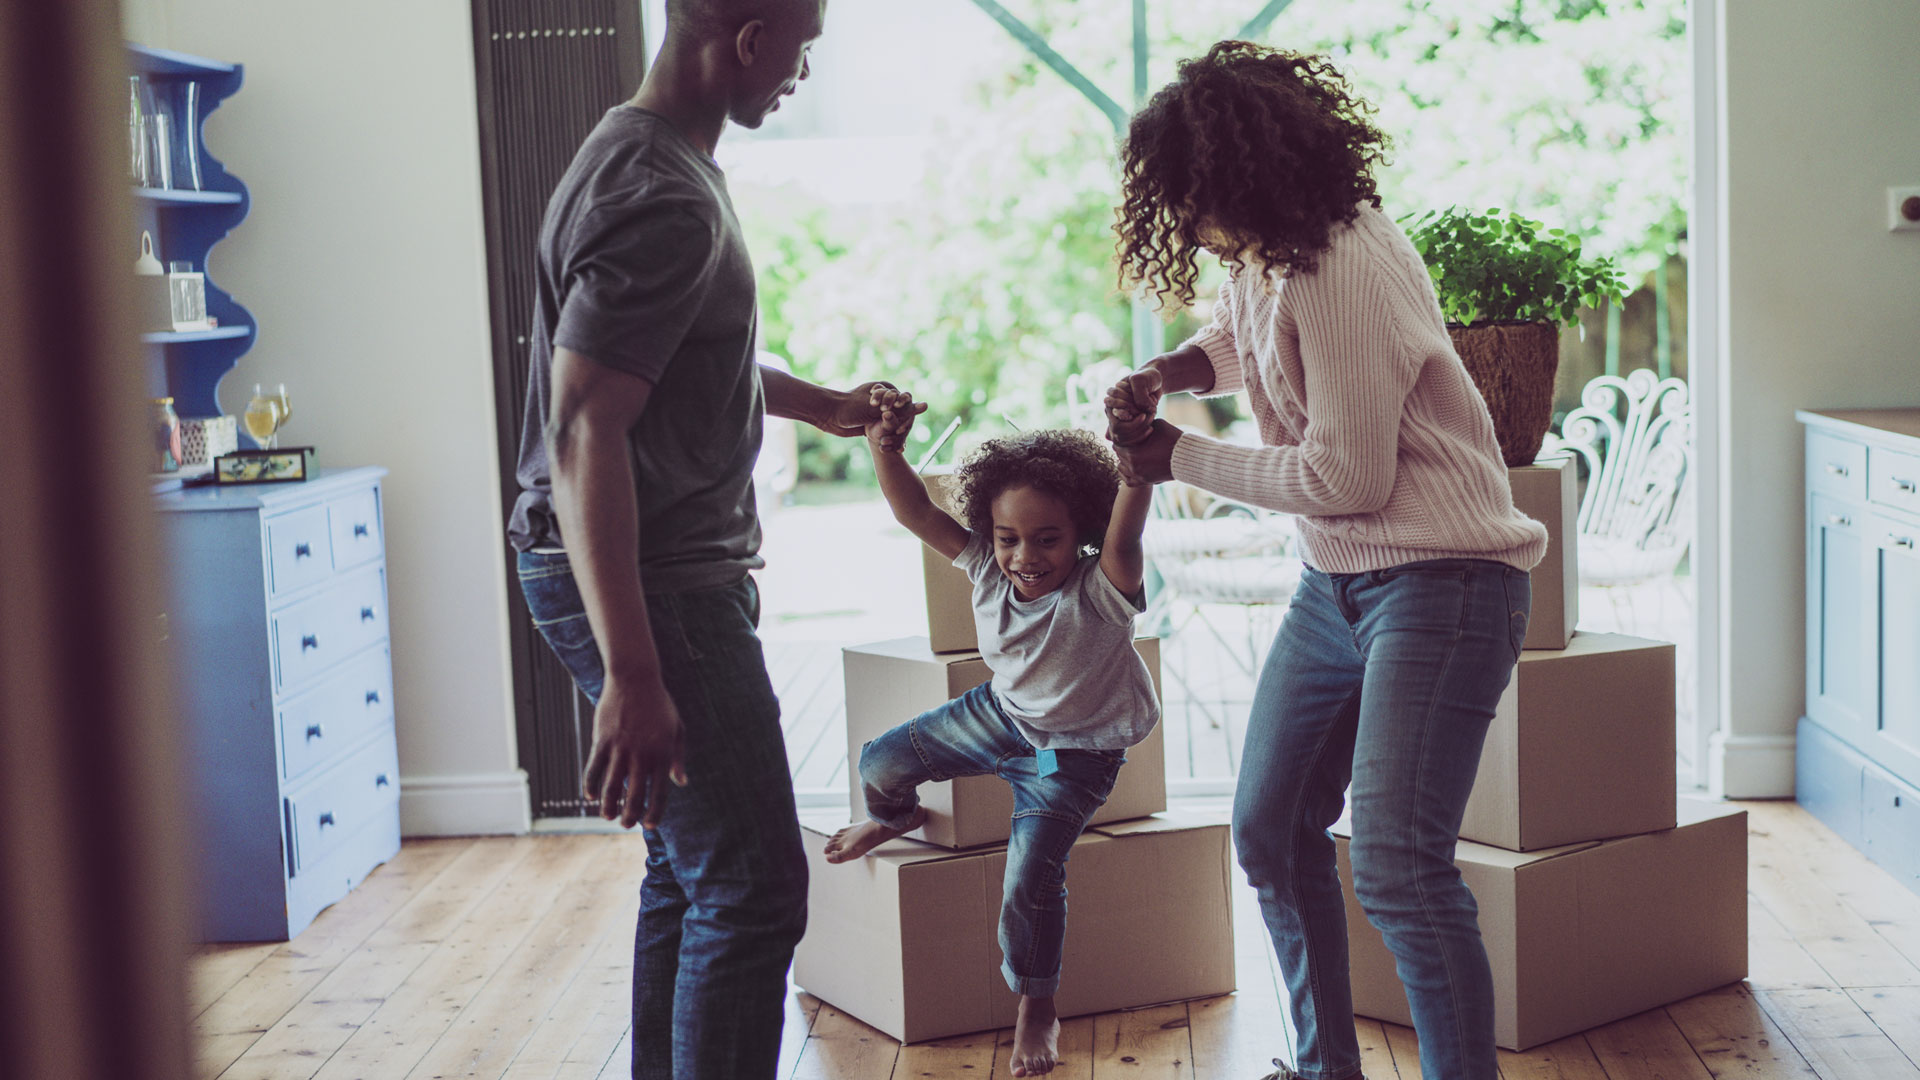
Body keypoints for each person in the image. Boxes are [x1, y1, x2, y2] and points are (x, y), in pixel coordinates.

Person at [1104, 42, 1549, 1080]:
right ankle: (1325, 1069)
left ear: (1244, 177)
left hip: (1444, 582)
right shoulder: (1274, 247)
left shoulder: (1343, 259)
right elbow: (1247, 327)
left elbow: (1347, 477)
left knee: (1398, 866)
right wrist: (1177, 370)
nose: (1193, 229)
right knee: (1269, 827)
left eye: (1196, 203)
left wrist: (1184, 458)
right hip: (1337, 586)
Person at [504, 1, 900, 1076]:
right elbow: (587, 425)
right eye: (802, 47)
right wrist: (633, 675)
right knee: (758, 890)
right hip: (659, 586)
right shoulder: (662, 195)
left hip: (645, 573)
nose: (802, 72)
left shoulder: (636, 154)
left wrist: (824, 406)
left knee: (690, 878)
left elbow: (663, 361)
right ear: (748, 39)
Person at [822, 391, 1160, 1079]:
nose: (1024, 557)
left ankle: (1037, 1003)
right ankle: (899, 816)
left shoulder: (1102, 587)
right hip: (999, 717)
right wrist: (885, 448)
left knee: (1029, 880)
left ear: (1081, 533)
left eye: (1047, 539)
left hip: (1074, 756)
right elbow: (913, 511)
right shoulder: (983, 566)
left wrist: (1135, 467)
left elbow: (1125, 537)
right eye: (1008, 538)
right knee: (879, 762)